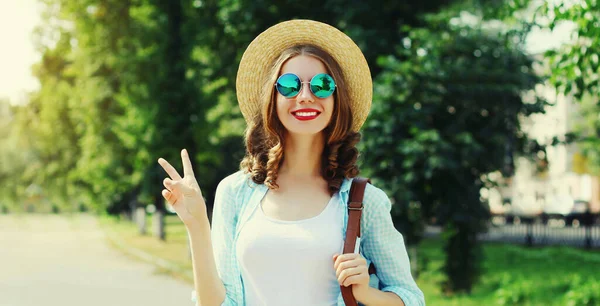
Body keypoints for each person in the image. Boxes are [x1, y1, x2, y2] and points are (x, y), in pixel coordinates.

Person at [157, 19, 425, 306]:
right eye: (289, 85)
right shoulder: (234, 193)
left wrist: (366, 293)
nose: (306, 96)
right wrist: (197, 224)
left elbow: (410, 298)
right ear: (272, 98)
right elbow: (221, 303)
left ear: (337, 100)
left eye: (322, 85)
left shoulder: (364, 202)